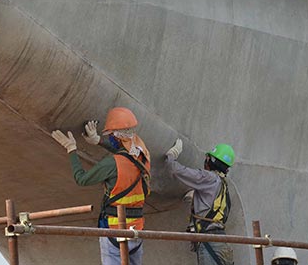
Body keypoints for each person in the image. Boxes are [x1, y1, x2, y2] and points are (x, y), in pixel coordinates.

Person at [51, 107, 150, 265]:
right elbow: (125, 153)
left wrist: (71, 149)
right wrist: (98, 141)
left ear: (116, 136)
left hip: (114, 229)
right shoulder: (143, 154)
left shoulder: (112, 164)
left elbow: (82, 179)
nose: (109, 137)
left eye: (110, 135)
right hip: (137, 229)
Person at [165, 138, 235, 265]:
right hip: (221, 241)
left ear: (212, 160)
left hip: (209, 240)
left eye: (208, 157)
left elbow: (177, 170)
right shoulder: (223, 184)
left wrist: (171, 155)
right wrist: (196, 199)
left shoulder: (209, 178)